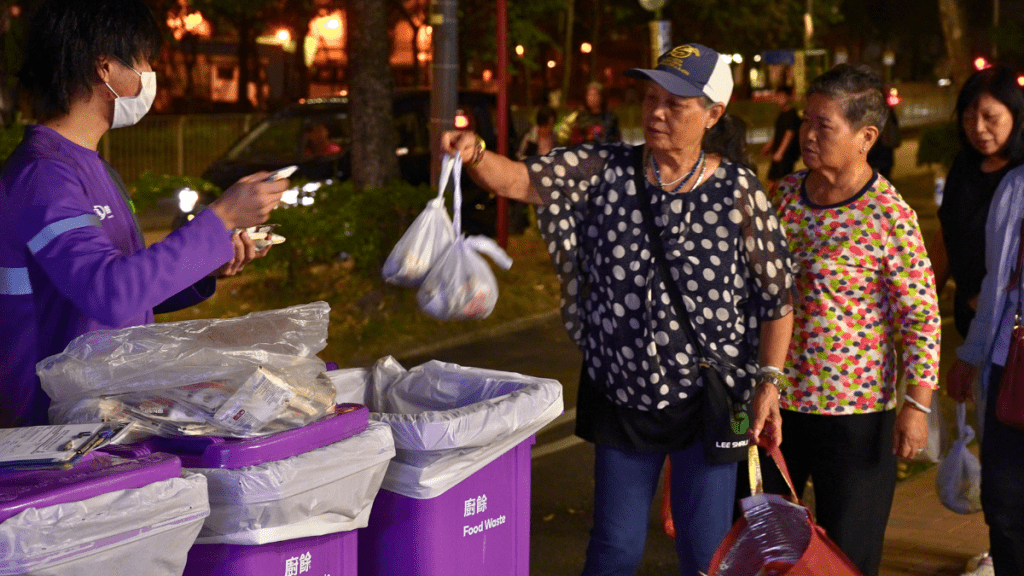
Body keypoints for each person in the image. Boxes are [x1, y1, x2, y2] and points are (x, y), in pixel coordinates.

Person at [443, 43, 795, 576]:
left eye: (675, 104)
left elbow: (777, 299)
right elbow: (518, 180)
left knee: (706, 554)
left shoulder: (739, 192)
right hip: (623, 394)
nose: (655, 112)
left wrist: (769, 382)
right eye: (650, 98)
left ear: (713, 114)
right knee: (615, 548)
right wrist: (473, 154)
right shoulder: (607, 170)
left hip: (711, 400)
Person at [0, 0, 287, 428]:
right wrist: (222, 217)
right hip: (47, 428)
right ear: (104, 68)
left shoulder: (95, 168)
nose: (149, 75)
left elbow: (131, 287)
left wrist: (208, 264)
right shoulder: (43, 174)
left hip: (102, 412)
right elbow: (109, 293)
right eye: (143, 61)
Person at [753, 64, 941, 576]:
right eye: (806, 120)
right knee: (770, 547)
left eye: (823, 125)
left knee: (849, 556)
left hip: (855, 416)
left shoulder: (889, 214)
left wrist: (916, 406)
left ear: (866, 137)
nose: (808, 135)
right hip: (778, 407)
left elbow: (920, 318)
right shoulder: (786, 196)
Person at [946, 67, 1024, 576]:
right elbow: (996, 282)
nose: (979, 126)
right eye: (970, 114)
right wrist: (972, 353)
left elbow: (995, 286)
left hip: (1005, 355)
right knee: (1006, 500)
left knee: (1010, 499)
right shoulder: (1001, 183)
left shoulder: (1013, 182)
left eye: (991, 115)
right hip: (1007, 361)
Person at [760, 85, 802, 195]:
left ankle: (779, 204)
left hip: (786, 156)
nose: (778, 99)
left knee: (781, 182)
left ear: (788, 97)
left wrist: (780, 152)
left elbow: (789, 134)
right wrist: (768, 146)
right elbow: (779, 133)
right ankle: (775, 203)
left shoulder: (791, 115)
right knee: (772, 180)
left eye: (781, 97)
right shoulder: (782, 114)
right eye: (777, 96)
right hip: (779, 154)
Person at [564, 81, 620, 146]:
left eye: (595, 95)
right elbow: (574, 139)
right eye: (589, 95)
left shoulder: (611, 117)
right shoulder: (580, 116)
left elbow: (615, 139)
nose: (592, 98)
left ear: (601, 97)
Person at [866, 104, 901, 179]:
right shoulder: (887, 112)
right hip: (878, 147)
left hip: (882, 146)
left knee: (883, 170)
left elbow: (894, 128)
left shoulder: (886, 113)